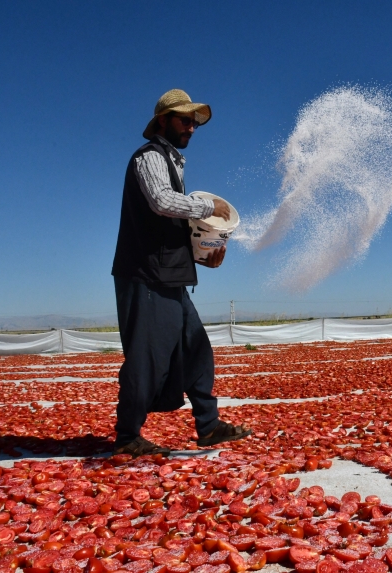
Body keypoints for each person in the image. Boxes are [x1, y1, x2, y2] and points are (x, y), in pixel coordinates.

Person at [110, 89, 251, 457]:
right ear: (163, 121)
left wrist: (202, 257)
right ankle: (127, 437)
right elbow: (161, 201)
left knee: (196, 348)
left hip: (169, 276)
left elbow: (171, 229)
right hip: (146, 275)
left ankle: (209, 425)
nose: (191, 127)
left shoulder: (174, 163)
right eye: (184, 120)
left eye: (194, 122)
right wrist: (208, 207)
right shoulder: (149, 157)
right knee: (148, 357)